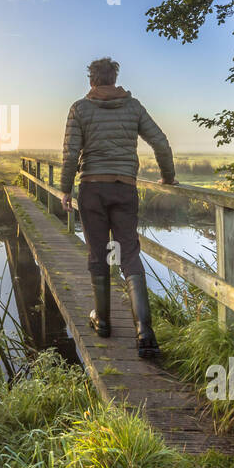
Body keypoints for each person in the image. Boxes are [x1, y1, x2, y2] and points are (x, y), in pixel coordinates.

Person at [59, 57, 175, 358]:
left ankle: (104, 321)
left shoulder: (79, 109)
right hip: (124, 188)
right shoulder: (133, 106)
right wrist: (168, 177)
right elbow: (161, 142)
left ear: (91, 81)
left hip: (92, 189)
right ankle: (145, 332)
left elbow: (71, 153)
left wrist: (64, 189)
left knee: (98, 253)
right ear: (115, 78)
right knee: (129, 254)